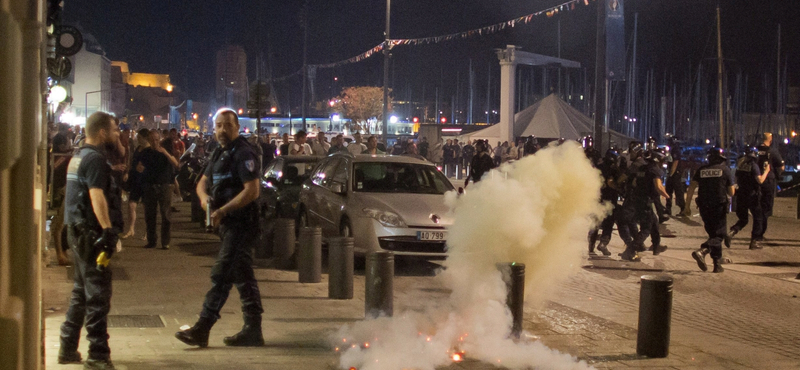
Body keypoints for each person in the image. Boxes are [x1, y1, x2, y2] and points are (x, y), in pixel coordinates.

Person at [176, 109, 264, 348]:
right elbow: (202, 182)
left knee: (222, 274)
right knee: (243, 275)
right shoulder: (218, 152)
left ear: (237, 127)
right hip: (226, 225)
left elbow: (252, 190)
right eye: (218, 125)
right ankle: (253, 330)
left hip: (242, 223)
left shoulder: (244, 152)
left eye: (227, 125)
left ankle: (202, 328)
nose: (222, 130)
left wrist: (223, 210)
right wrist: (204, 199)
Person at [59, 112, 123, 369]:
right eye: (115, 130)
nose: (117, 134)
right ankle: (97, 354)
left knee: (80, 293)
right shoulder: (95, 159)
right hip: (90, 233)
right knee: (97, 295)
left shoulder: (78, 156)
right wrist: (107, 230)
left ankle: (67, 347)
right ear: (102, 132)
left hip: (76, 231)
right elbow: (97, 196)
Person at [684, 147, 735, 273]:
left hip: (703, 207)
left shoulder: (701, 170)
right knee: (720, 235)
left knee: (713, 234)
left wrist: (687, 206)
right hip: (718, 207)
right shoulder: (725, 170)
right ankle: (702, 251)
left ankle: (717, 264)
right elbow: (731, 192)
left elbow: (691, 188)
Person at [138, 129, 179, 249]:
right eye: (152, 140)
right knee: (150, 215)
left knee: (166, 214)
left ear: (159, 139)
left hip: (164, 185)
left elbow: (175, 163)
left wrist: (165, 153)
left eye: (156, 139)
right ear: (149, 140)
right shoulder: (145, 152)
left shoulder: (164, 151)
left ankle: (165, 242)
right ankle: (152, 241)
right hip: (150, 185)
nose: (154, 142)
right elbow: (140, 166)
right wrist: (139, 168)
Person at [729, 146, 770, 249]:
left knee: (743, 219)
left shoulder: (741, 165)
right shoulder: (754, 165)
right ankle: (754, 241)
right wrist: (766, 172)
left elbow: (736, 179)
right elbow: (760, 180)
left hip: (741, 195)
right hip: (752, 196)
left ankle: (732, 231)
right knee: (758, 218)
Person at [588, 148, 621, 256]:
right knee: (608, 223)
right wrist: (619, 188)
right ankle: (603, 243)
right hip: (609, 200)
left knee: (595, 222)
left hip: (597, 199)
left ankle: (591, 245)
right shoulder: (614, 169)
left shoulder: (598, 167)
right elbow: (611, 183)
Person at [50, 123, 73, 265]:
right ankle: (60, 254)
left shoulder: (61, 156)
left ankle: (62, 252)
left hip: (63, 188)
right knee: (59, 224)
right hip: (62, 189)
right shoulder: (60, 157)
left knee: (62, 224)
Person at [121, 129, 150, 239]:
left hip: (145, 180)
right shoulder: (138, 148)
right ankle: (131, 229)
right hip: (136, 180)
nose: (138, 139)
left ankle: (148, 231)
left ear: (144, 138)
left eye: (139, 137)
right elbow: (133, 161)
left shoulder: (149, 150)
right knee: (131, 204)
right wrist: (129, 171)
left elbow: (152, 166)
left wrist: (144, 169)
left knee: (146, 207)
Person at [755, 132, 785, 242]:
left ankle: (756, 233)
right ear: (770, 140)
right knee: (766, 209)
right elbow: (781, 167)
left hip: (756, 182)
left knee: (757, 207)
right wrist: (777, 175)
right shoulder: (772, 151)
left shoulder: (756, 151)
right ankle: (759, 234)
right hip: (768, 182)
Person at [664, 138, 686, 216]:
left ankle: (683, 209)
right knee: (668, 191)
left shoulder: (675, 150)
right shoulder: (672, 150)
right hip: (672, 173)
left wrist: (671, 174)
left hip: (675, 174)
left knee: (678, 191)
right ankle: (668, 209)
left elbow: (675, 162)